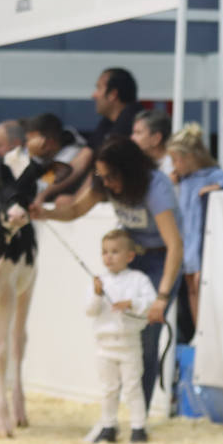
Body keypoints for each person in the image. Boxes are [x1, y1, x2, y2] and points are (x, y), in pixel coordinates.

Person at [34, 136, 183, 412]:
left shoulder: (155, 187)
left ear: (129, 170)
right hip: (130, 255)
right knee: (121, 334)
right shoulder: (104, 183)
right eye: (101, 176)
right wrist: (45, 213)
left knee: (148, 338)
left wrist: (161, 297)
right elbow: (77, 209)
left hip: (160, 259)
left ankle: (141, 415)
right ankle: (118, 411)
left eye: (111, 176)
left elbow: (175, 245)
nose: (107, 183)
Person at [165, 122, 223, 325]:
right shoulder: (182, 181)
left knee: (203, 288)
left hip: (204, 246)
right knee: (191, 289)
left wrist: (217, 187)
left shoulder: (212, 175)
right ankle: (198, 331)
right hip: (188, 246)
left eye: (176, 160)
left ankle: (208, 330)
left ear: (189, 158)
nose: (173, 165)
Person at [86, 229, 157, 444]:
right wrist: (97, 295)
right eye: (105, 252)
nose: (108, 257)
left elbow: (150, 303)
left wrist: (132, 304)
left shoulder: (139, 280)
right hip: (105, 346)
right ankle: (108, 426)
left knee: (133, 386)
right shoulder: (99, 282)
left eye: (115, 252)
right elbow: (90, 311)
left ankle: (138, 427)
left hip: (129, 344)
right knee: (109, 388)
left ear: (129, 256)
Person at [40, 67, 140, 202]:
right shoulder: (108, 121)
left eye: (98, 88)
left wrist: (76, 200)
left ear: (113, 94)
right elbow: (79, 161)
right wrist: (43, 191)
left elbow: (101, 168)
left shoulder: (132, 120)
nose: (93, 95)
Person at [131, 108, 174, 176]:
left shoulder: (174, 167)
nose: (132, 138)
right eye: (133, 133)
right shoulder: (137, 163)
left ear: (156, 138)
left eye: (138, 133)